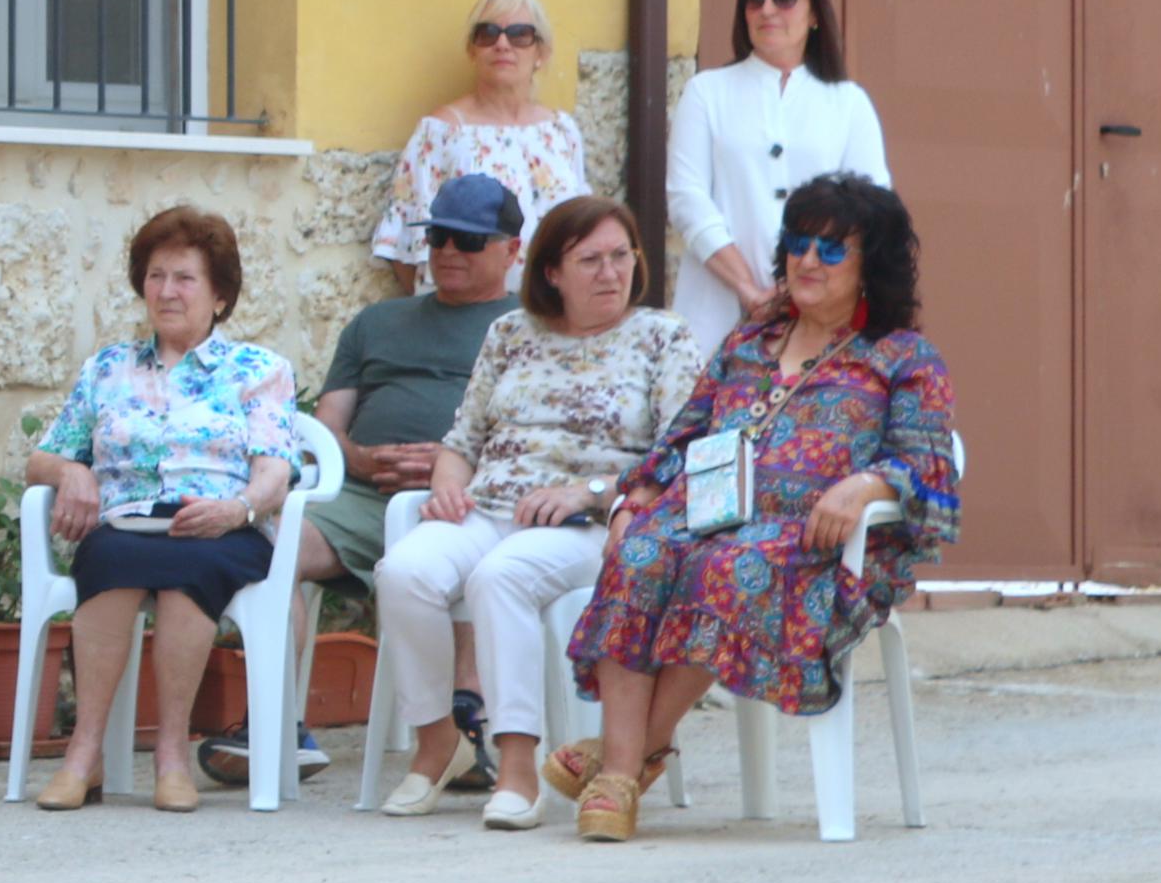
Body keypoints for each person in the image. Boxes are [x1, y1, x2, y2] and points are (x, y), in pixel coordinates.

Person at [560, 172, 957, 841]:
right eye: (798, 243)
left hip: (812, 544)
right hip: (709, 515)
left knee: (718, 565)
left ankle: (616, 770)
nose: (806, 259)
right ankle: (628, 765)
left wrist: (862, 486)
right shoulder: (748, 344)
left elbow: (927, 460)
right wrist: (635, 497)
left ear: (869, 266)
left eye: (830, 250)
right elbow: (680, 435)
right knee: (637, 552)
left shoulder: (900, 357)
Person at [370, 196, 702, 827]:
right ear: (552, 271)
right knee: (404, 572)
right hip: (490, 506)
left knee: (502, 578)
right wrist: (446, 484)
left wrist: (595, 493)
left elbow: (678, 452)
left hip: (593, 523)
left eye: (620, 257)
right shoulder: (510, 333)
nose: (610, 273)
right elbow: (464, 439)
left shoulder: (664, 336)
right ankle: (436, 741)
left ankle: (516, 763)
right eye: (590, 260)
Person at [24, 206, 298, 814]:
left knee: (189, 572)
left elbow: (276, 469)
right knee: (109, 560)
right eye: (155, 276)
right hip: (128, 522)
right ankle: (83, 756)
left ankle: (172, 755)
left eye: (184, 278)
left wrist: (237, 509)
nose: (166, 291)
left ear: (220, 296)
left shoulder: (258, 370)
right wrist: (71, 470)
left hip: (222, 526)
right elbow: (40, 458)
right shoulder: (107, 368)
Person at [272, 173, 528, 791]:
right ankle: (274, 724)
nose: (446, 252)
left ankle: (467, 716)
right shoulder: (377, 322)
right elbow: (326, 423)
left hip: (471, 494)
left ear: (511, 251)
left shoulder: (529, 325)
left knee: (470, 549)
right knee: (272, 546)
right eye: (438, 236)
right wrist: (357, 459)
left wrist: (454, 461)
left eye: (468, 241)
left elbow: (537, 430)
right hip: (362, 496)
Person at [667, 0, 891, 351]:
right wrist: (750, 288)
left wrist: (809, 285)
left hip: (823, 318)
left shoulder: (848, 103)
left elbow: (871, 209)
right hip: (716, 313)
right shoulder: (705, 93)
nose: (767, 9)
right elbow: (686, 198)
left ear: (816, 14)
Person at [368, 0, 588, 271]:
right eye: (488, 33)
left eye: (520, 34)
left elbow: (584, 226)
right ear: (472, 49)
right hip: (472, 307)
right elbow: (407, 244)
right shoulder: (442, 133)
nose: (503, 44)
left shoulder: (561, 132)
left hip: (557, 306)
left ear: (541, 52)